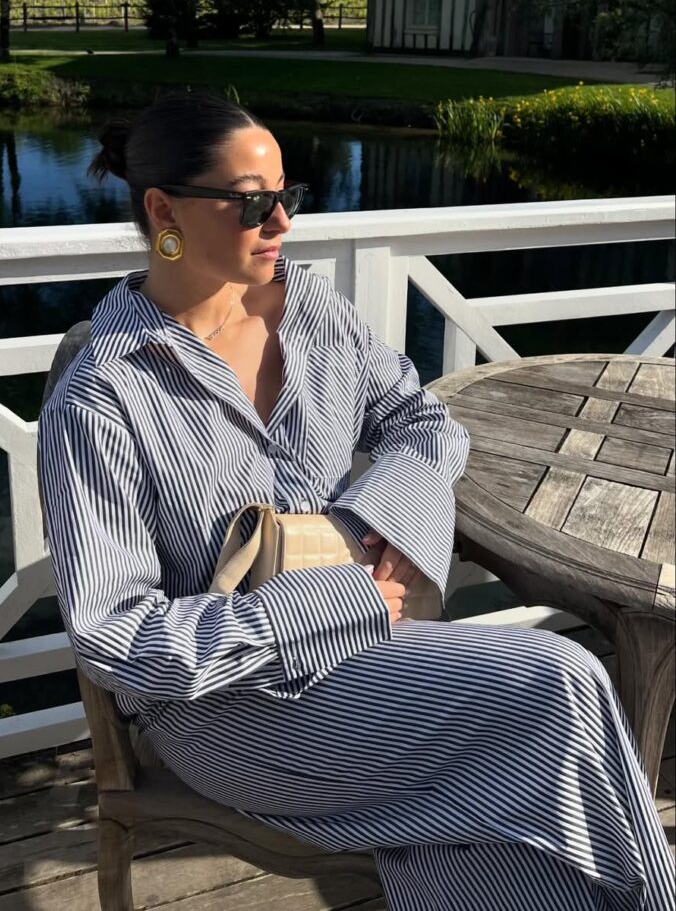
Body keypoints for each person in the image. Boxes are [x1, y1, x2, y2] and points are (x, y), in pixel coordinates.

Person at [38, 91, 674, 910]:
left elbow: (423, 423)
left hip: (373, 650)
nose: (281, 222)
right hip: (230, 711)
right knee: (557, 683)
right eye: (251, 203)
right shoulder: (104, 395)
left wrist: (384, 530)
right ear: (164, 210)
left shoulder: (313, 314)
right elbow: (114, 640)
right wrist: (332, 601)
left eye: (288, 196)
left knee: (519, 777)